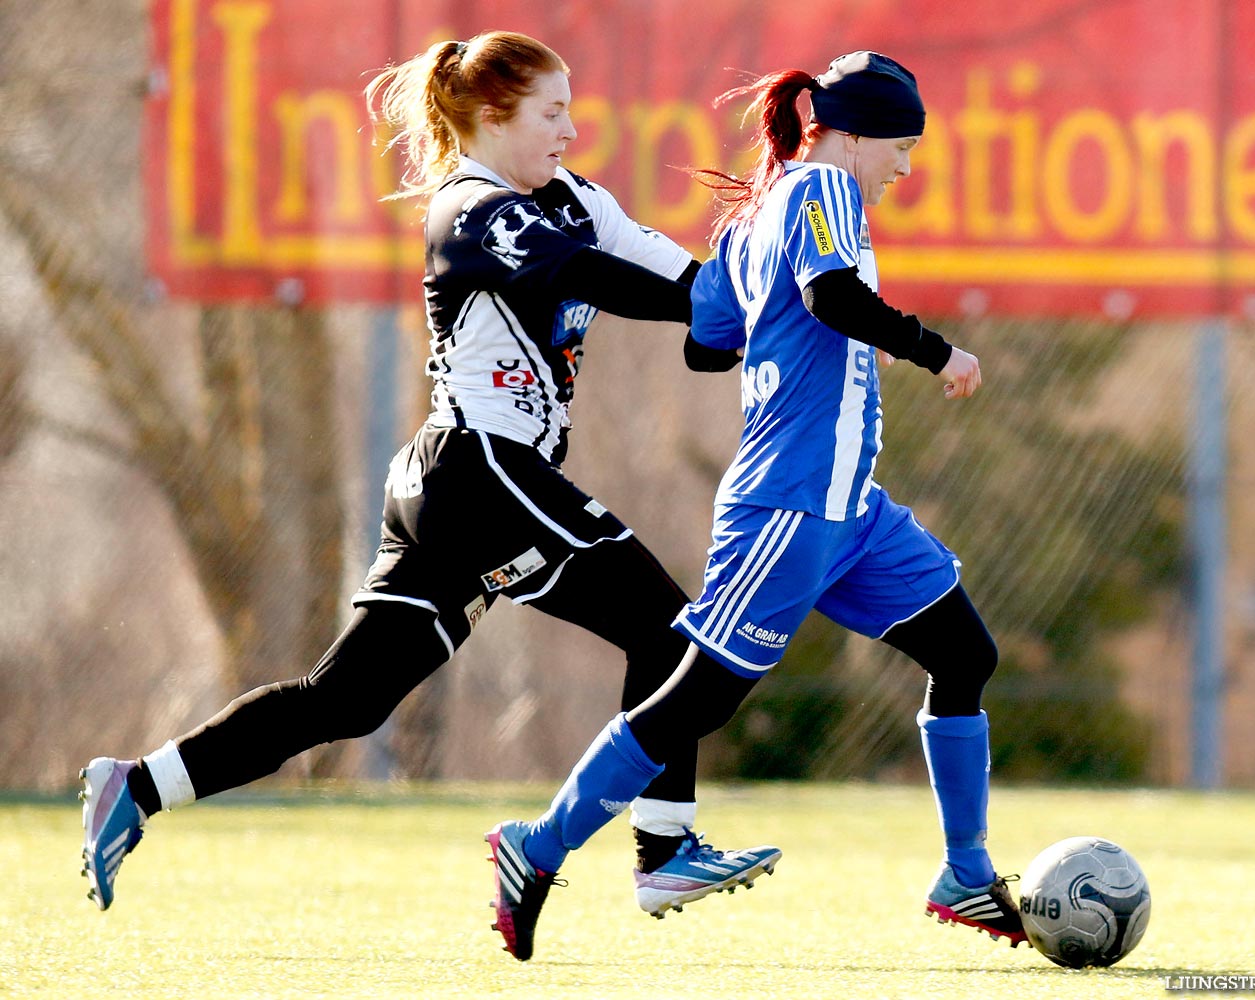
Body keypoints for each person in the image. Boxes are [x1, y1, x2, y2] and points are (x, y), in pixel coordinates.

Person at [78, 31, 780, 945]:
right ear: (492, 117)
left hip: (463, 484)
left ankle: (134, 786)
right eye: (551, 112)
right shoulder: (470, 208)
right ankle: (662, 852)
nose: (571, 128)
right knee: (670, 628)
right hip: (480, 470)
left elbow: (687, 283)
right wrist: (726, 310)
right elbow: (590, 275)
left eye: (572, 108)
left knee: (347, 700)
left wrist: (777, 293)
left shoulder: (578, 198)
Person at [484, 50, 1030, 960]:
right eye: (899, 145)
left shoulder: (759, 218)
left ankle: (966, 876)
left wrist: (762, 301)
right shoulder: (821, 190)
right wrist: (936, 353)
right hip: (787, 503)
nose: (904, 166)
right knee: (693, 701)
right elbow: (830, 295)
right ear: (848, 136)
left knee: (964, 651)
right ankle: (535, 849)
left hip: (850, 508)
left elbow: (709, 345)